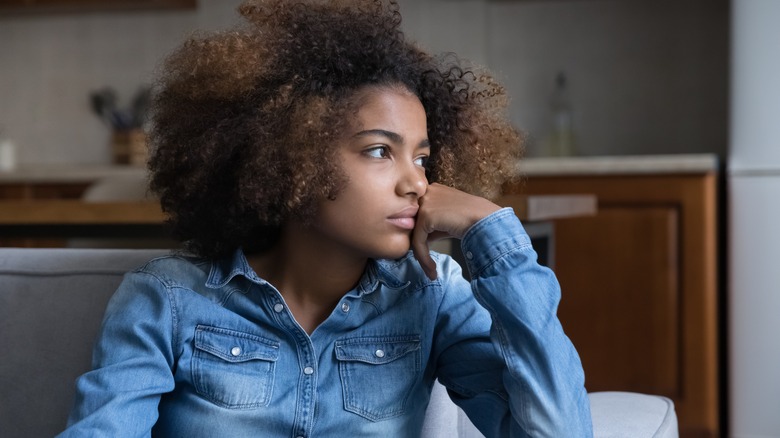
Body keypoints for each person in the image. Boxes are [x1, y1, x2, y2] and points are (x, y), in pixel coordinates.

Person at [59, 0, 592, 436]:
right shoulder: (169, 300)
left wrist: (491, 232)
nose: (417, 183)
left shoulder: (433, 296)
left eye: (423, 158)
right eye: (380, 150)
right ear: (292, 155)